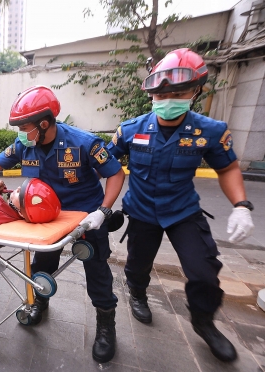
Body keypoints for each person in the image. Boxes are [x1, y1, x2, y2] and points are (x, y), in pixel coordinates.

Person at [0, 86, 125, 363]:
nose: (21, 132)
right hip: (46, 218)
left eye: (24, 126)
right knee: (42, 265)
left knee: (96, 271)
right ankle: (40, 302)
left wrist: (103, 211)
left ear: (44, 123)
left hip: (86, 217)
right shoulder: (25, 144)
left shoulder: (84, 143)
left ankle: (106, 325)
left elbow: (116, 174)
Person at [107, 48, 255, 363]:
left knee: (203, 272)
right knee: (137, 264)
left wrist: (241, 205)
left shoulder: (210, 131)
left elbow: (227, 168)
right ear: (152, 93)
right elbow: (105, 162)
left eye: (179, 92)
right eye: (161, 93)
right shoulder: (131, 129)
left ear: (196, 91)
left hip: (182, 212)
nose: (168, 99)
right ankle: (137, 293)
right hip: (142, 211)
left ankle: (204, 322)